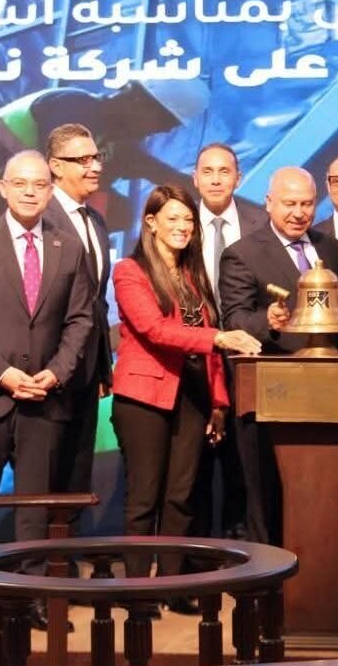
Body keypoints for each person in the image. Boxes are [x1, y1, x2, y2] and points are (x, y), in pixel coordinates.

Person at [0, 150, 93, 631]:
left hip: (45, 399)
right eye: (21, 183)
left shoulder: (69, 246)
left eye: (40, 184)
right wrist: (3, 373)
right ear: (2, 188)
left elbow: (80, 319)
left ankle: (30, 600)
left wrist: (57, 372)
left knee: (34, 512)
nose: (30, 191)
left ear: (51, 190)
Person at [111, 183, 262, 615]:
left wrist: (219, 402)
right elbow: (155, 330)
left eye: (188, 220)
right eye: (172, 218)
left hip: (193, 397)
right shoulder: (129, 271)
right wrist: (220, 337)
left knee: (182, 496)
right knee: (144, 498)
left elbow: (206, 350)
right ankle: (137, 591)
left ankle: (174, 586)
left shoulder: (193, 276)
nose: (182, 227)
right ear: (151, 223)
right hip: (144, 396)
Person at [219, 166, 338, 543]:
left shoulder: (330, 248)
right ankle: (267, 571)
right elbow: (235, 317)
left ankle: (319, 565)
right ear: (269, 203)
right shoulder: (242, 253)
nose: (299, 212)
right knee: (268, 495)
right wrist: (267, 321)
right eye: (289, 203)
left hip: (330, 393)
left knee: (323, 494)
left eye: (306, 204)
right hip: (271, 393)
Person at [190, 142, 267, 544]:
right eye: (208, 171)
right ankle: (196, 555)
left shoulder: (261, 220)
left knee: (246, 465)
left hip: (249, 358)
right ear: (195, 178)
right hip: (193, 359)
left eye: (225, 171)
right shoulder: (178, 222)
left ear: (239, 177)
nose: (216, 179)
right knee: (194, 465)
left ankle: (244, 551)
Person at [42, 123, 112, 531]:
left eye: (96, 157)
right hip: (48, 369)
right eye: (83, 160)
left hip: (86, 371)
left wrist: (102, 365)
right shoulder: (41, 218)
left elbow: (96, 303)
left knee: (77, 470)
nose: (94, 167)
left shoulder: (96, 221)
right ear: (55, 166)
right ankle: (37, 558)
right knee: (47, 470)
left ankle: (62, 553)